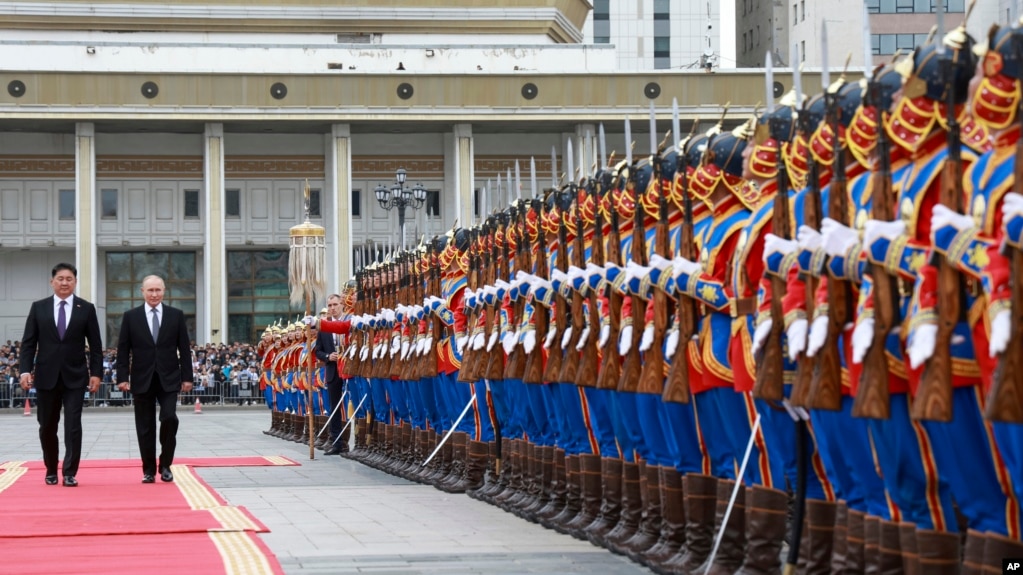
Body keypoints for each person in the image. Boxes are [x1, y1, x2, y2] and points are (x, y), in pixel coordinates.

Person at [19, 262, 103, 487]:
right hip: (46, 376)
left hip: (76, 376)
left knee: (73, 425)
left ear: (75, 282)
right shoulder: (39, 308)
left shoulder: (86, 308)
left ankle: (69, 472)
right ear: (52, 281)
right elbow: (28, 344)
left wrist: (96, 373)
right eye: (60, 279)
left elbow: (95, 345)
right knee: (47, 425)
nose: (65, 282)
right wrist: (25, 370)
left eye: (69, 279)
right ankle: (50, 468)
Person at [116, 275, 193, 484]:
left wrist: (188, 377)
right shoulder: (131, 317)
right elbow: (123, 349)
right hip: (142, 378)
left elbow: (184, 349)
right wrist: (122, 376)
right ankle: (148, 469)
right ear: (142, 291)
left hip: (169, 378)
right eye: (150, 290)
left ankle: (165, 464)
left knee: (169, 418)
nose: (154, 294)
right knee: (145, 426)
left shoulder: (175, 316)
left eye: (158, 290)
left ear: (164, 291)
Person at [315, 294, 349, 455]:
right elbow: (318, 351)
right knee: (334, 407)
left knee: (352, 405)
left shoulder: (350, 320)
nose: (332, 308)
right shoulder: (324, 327)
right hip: (332, 370)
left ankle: (353, 441)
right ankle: (336, 441)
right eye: (329, 305)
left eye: (335, 304)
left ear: (342, 304)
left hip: (349, 368)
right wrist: (328, 357)